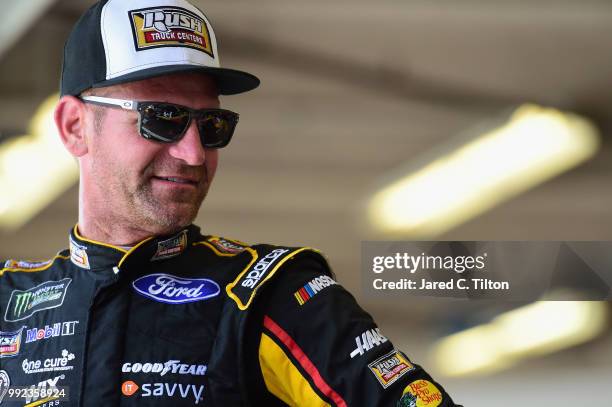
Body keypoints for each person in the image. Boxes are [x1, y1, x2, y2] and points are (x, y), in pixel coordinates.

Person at [0, 0, 462, 406]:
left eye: (213, 125)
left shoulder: (273, 296)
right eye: (162, 119)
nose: (193, 153)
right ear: (74, 127)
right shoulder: (7, 305)